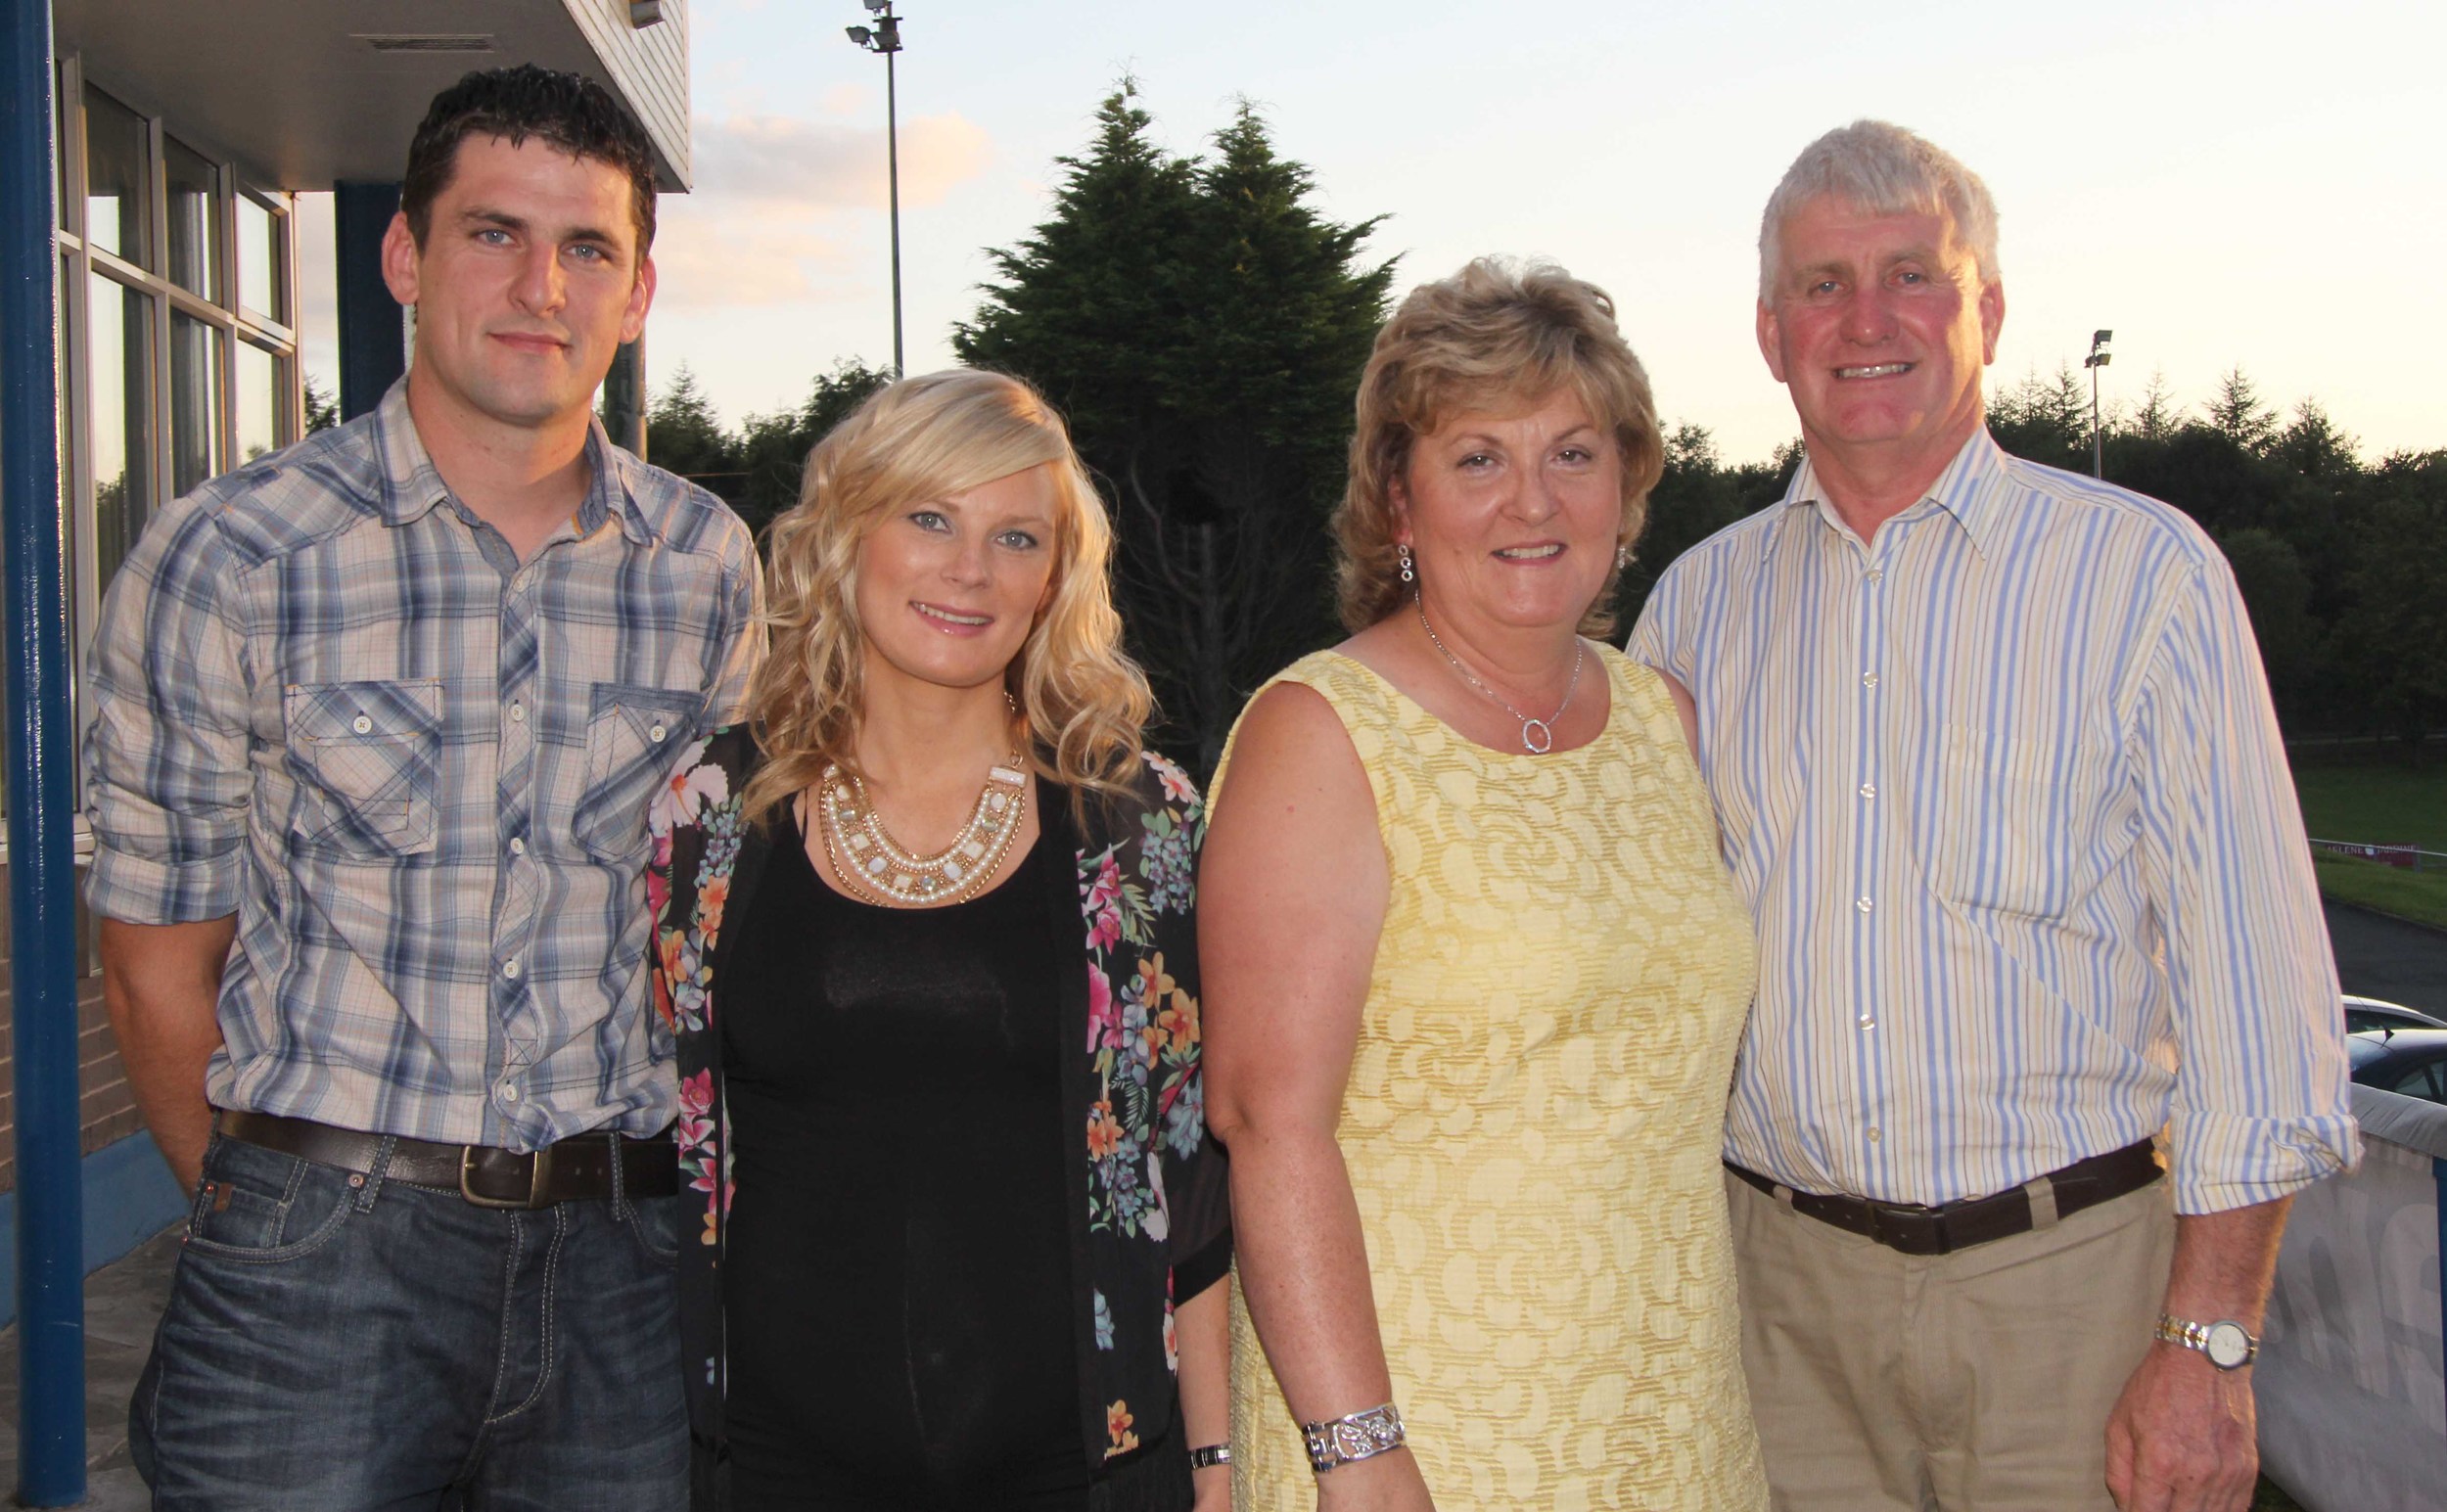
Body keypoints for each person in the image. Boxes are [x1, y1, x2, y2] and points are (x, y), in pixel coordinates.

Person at [1628, 119, 2358, 1512]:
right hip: (1781, 1307)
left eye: (1913, 272)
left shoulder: (2144, 578)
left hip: (2075, 1299)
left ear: (1990, 310)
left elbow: (2260, 1000)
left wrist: (2207, 1344)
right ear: (1773, 334)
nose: (1869, 318)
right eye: (1825, 284)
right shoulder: (1696, 610)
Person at [82, 66, 759, 1507]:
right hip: (315, 1258)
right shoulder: (234, 557)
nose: (540, 286)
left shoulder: (707, 567)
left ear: (637, 294)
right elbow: (152, 965)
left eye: (588, 249)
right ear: (404, 254)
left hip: (619, 1270)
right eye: (491, 233)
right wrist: (271, 1215)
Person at [1203, 258, 1768, 1510]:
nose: (1533, 500)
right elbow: (1266, 1124)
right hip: (1420, 1431)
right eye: (1477, 459)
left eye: (1573, 453)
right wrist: (1358, 1454)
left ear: (1626, 491)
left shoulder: (1660, 719)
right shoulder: (1321, 731)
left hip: (1671, 1421)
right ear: (1397, 503)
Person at [647, 368, 1232, 1511]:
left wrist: (1211, 1467)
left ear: (1053, 578)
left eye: (1015, 536)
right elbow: (686, 1140)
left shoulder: (1139, 822)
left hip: (1083, 1469)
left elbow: (1189, 1176)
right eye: (929, 518)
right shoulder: (715, 812)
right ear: (846, 535)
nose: (970, 568)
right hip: (771, 1468)